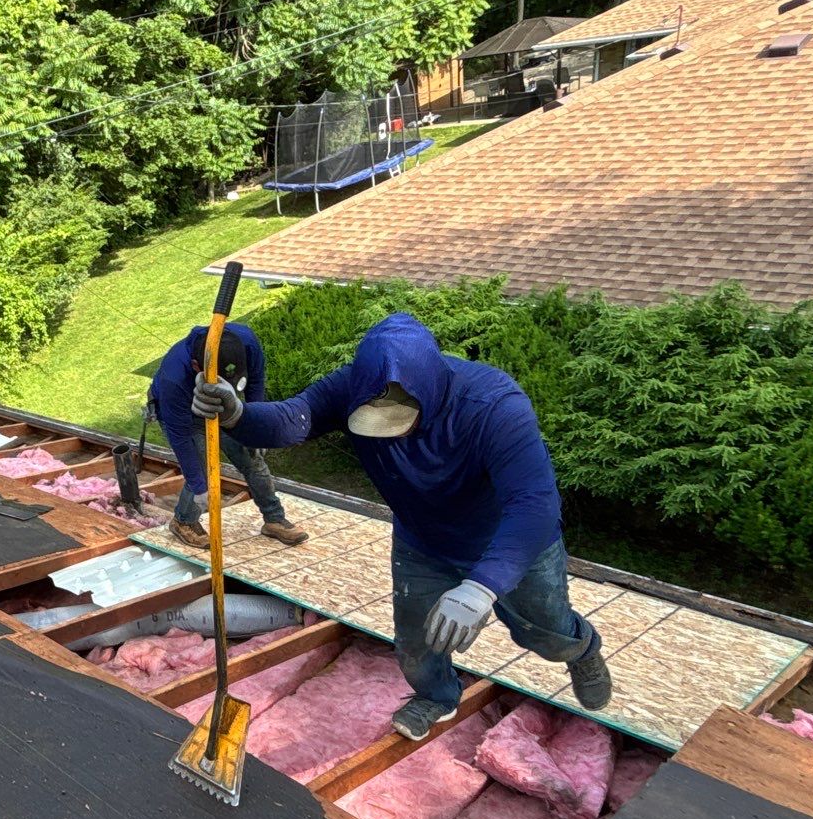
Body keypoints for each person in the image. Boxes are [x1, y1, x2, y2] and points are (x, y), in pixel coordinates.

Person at [193, 312, 612, 739]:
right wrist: (239, 415)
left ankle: (582, 650)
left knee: (544, 633)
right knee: (415, 641)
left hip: (508, 543)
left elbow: (534, 506)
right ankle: (436, 696)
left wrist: (481, 587)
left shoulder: (494, 407)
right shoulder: (354, 384)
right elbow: (293, 419)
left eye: (400, 423)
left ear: (427, 391)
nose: (390, 440)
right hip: (423, 541)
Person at [148, 321, 309, 550]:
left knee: (252, 459)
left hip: (227, 404)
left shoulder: (246, 342)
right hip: (186, 413)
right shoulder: (173, 379)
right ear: (196, 366)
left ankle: (274, 519)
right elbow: (181, 438)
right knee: (202, 469)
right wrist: (199, 487)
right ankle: (184, 521)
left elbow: (255, 382)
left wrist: (257, 425)